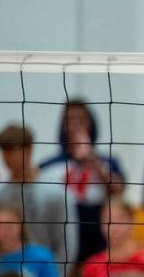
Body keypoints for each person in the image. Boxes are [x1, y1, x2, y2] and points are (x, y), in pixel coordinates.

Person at [0, 124, 78, 277]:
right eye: (4, 151)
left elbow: (67, 246)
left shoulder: (56, 194)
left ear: (28, 150)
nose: (7, 157)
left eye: (12, 150)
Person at [39, 100, 125, 263]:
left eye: (81, 119)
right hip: (60, 235)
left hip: (98, 238)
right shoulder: (48, 166)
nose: (76, 125)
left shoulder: (107, 162)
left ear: (91, 124)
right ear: (63, 126)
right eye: (70, 120)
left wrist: (91, 159)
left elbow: (119, 190)